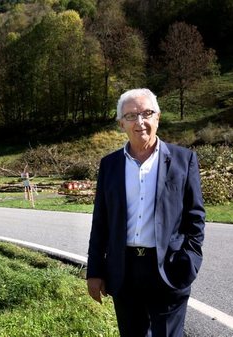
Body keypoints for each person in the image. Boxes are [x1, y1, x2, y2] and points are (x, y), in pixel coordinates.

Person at [87, 88, 205, 337]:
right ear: (121, 124)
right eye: (131, 116)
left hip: (168, 267)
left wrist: (189, 261)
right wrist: (95, 271)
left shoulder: (184, 160)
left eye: (146, 113)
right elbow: (101, 222)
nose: (140, 122)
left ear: (158, 117)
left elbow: (195, 218)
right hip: (123, 270)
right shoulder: (109, 165)